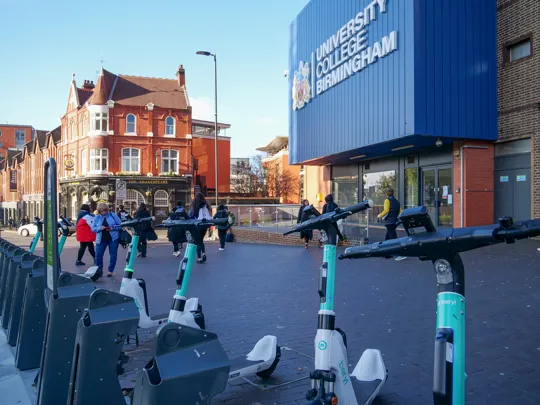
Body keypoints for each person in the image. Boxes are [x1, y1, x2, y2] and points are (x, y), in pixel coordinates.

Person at [91, 202, 122, 278]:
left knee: (113, 255)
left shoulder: (113, 215)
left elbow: (120, 225)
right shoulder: (96, 218)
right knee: (98, 255)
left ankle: (110, 271)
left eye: (105, 210)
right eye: (102, 211)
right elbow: (93, 228)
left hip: (113, 238)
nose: (104, 212)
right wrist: (99, 228)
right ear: (99, 211)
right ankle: (99, 271)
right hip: (101, 239)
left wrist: (113, 228)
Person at [377, 188, 406, 261]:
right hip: (394, 222)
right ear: (393, 193)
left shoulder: (387, 200)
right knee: (388, 237)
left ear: (387, 194)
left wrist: (380, 215)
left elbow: (386, 210)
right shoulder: (397, 202)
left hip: (389, 222)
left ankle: (400, 254)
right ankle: (386, 254)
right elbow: (401, 212)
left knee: (393, 239)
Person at [188, 192, 213, 263]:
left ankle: (199, 257)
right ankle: (203, 253)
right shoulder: (206, 205)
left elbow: (190, 215)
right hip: (204, 225)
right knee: (201, 240)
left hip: (197, 225)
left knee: (197, 241)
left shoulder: (194, 205)